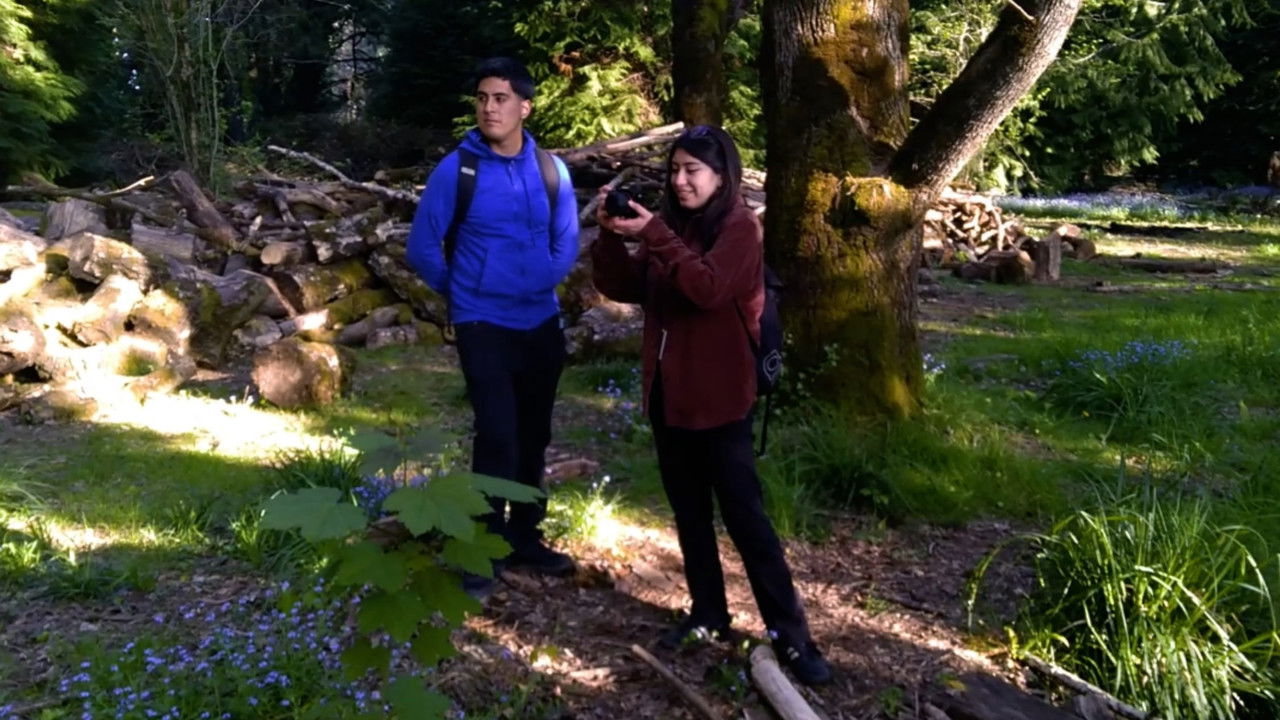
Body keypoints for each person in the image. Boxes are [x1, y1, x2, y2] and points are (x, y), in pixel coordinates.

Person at [590, 125, 833, 686]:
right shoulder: (673, 225)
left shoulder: (741, 228)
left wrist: (654, 233)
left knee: (747, 520)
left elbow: (708, 288)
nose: (679, 182)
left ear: (721, 176)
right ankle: (709, 613)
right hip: (668, 397)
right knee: (690, 514)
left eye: (691, 171)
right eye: (673, 171)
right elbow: (626, 286)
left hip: (722, 401)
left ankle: (791, 637)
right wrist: (610, 237)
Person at [406, 57, 580, 590]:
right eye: (482, 98)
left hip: (540, 321)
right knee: (497, 434)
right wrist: (464, 292)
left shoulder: (551, 169)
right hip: (483, 322)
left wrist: (539, 280)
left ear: (525, 106)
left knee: (534, 435)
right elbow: (421, 248)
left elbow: (566, 241)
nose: (489, 107)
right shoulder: (457, 170)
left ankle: (525, 538)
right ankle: (482, 548)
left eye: (501, 98)